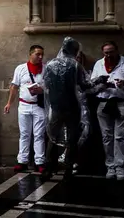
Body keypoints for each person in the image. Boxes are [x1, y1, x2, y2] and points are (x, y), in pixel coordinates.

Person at [41, 37, 92, 180]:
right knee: (72, 139)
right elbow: (84, 86)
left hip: (56, 106)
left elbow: (45, 85)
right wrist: (98, 82)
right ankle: (68, 170)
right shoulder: (75, 65)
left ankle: (48, 168)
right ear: (74, 50)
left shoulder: (50, 65)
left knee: (52, 137)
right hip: (72, 106)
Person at [3, 45, 46, 173]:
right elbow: (14, 86)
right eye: (38, 54)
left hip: (39, 105)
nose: (40, 57)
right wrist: (9, 103)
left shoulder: (46, 69)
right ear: (30, 54)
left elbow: (51, 86)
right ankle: (22, 161)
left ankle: (40, 162)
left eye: (42, 54)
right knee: (24, 134)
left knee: (39, 134)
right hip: (24, 105)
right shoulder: (21, 69)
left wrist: (42, 90)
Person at [91, 41, 124, 180]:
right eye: (106, 53)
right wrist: (101, 83)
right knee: (107, 136)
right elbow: (92, 85)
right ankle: (110, 166)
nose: (109, 55)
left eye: (111, 52)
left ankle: (121, 167)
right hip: (104, 103)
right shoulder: (98, 64)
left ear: (117, 50)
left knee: (121, 136)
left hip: (121, 103)